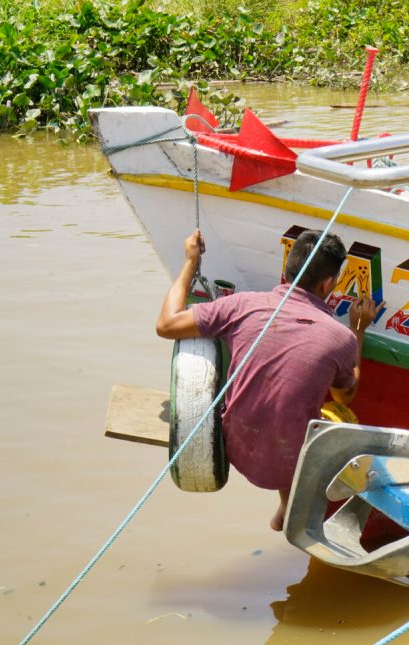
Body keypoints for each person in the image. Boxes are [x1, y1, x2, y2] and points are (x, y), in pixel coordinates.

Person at [156, 228, 384, 532]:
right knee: (335, 414)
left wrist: (190, 262)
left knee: (280, 400)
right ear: (328, 283)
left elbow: (166, 324)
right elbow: (345, 395)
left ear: (288, 268)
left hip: (236, 446)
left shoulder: (241, 305)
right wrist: (358, 330)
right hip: (288, 462)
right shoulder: (340, 337)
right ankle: (291, 510)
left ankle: (284, 513)